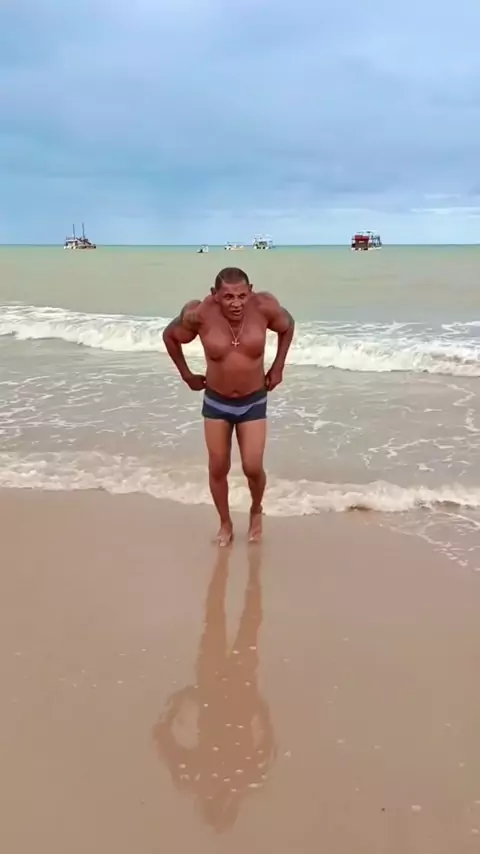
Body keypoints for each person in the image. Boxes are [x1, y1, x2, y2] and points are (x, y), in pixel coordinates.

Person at [162, 267, 294, 545]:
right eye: (228, 297)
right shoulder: (199, 314)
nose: (236, 303)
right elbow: (170, 336)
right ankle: (225, 523)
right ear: (215, 294)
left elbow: (288, 325)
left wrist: (278, 366)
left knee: (252, 466)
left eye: (242, 296)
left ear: (251, 291)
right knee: (218, 467)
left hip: (253, 400)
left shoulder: (264, 307)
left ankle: (256, 510)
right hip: (216, 401)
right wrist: (186, 375)